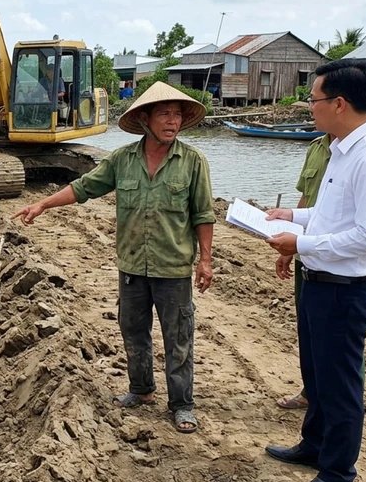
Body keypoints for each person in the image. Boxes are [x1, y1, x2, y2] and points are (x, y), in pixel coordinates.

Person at [11, 81, 215, 433]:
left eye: (177, 115)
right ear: (145, 120)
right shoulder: (122, 160)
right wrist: (43, 204)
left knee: (178, 337)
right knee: (133, 330)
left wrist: (206, 260)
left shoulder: (193, 162)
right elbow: (84, 188)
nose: (172, 121)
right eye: (164, 114)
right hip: (133, 265)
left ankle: (182, 404)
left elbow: (203, 214)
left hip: (173, 267)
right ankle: (141, 389)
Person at [264, 59, 366, 482]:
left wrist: (300, 243)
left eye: (314, 100)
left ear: (339, 103)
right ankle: (314, 445)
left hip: (346, 290)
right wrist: (293, 216)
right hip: (320, 282)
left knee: (341, 385)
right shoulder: (341, 149)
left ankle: (338, 473)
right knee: (319, 375)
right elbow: (332, 215)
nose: (310, 108)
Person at [275, 132, 331, 410]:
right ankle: (310, 391)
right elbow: (306, 199)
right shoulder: (317, 148)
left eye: (315, 107)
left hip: (334, 259)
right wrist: (291, 247)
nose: (310, 110)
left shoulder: (361, 153)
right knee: (307, 326)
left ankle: (339, 397)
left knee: (339, 337)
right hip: (306, 252)